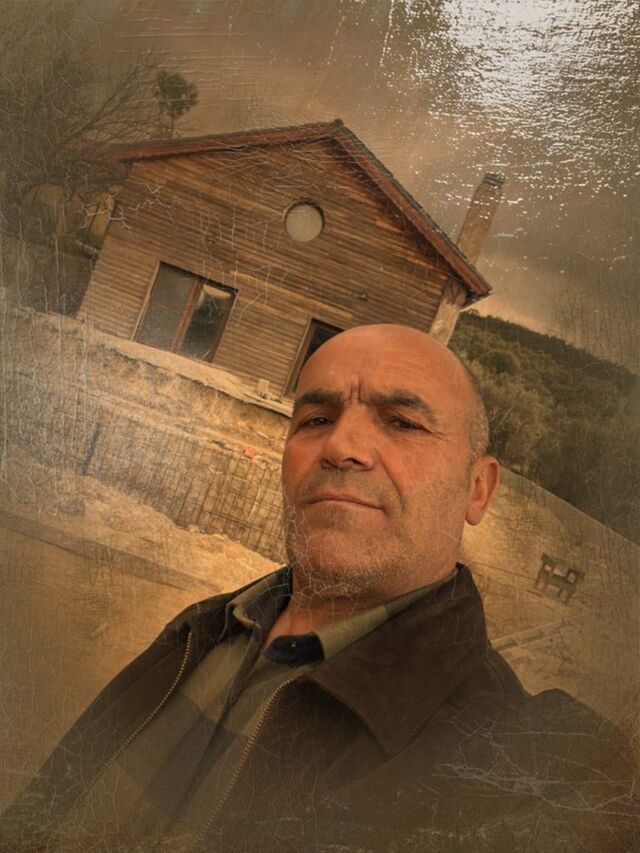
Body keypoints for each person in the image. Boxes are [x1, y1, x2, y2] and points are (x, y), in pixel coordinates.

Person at [1, 324, 637, 853]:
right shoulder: (202, 629)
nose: (341, 445)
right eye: (315, 418)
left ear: (478, 490)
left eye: (402, 423)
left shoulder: (516, 767)